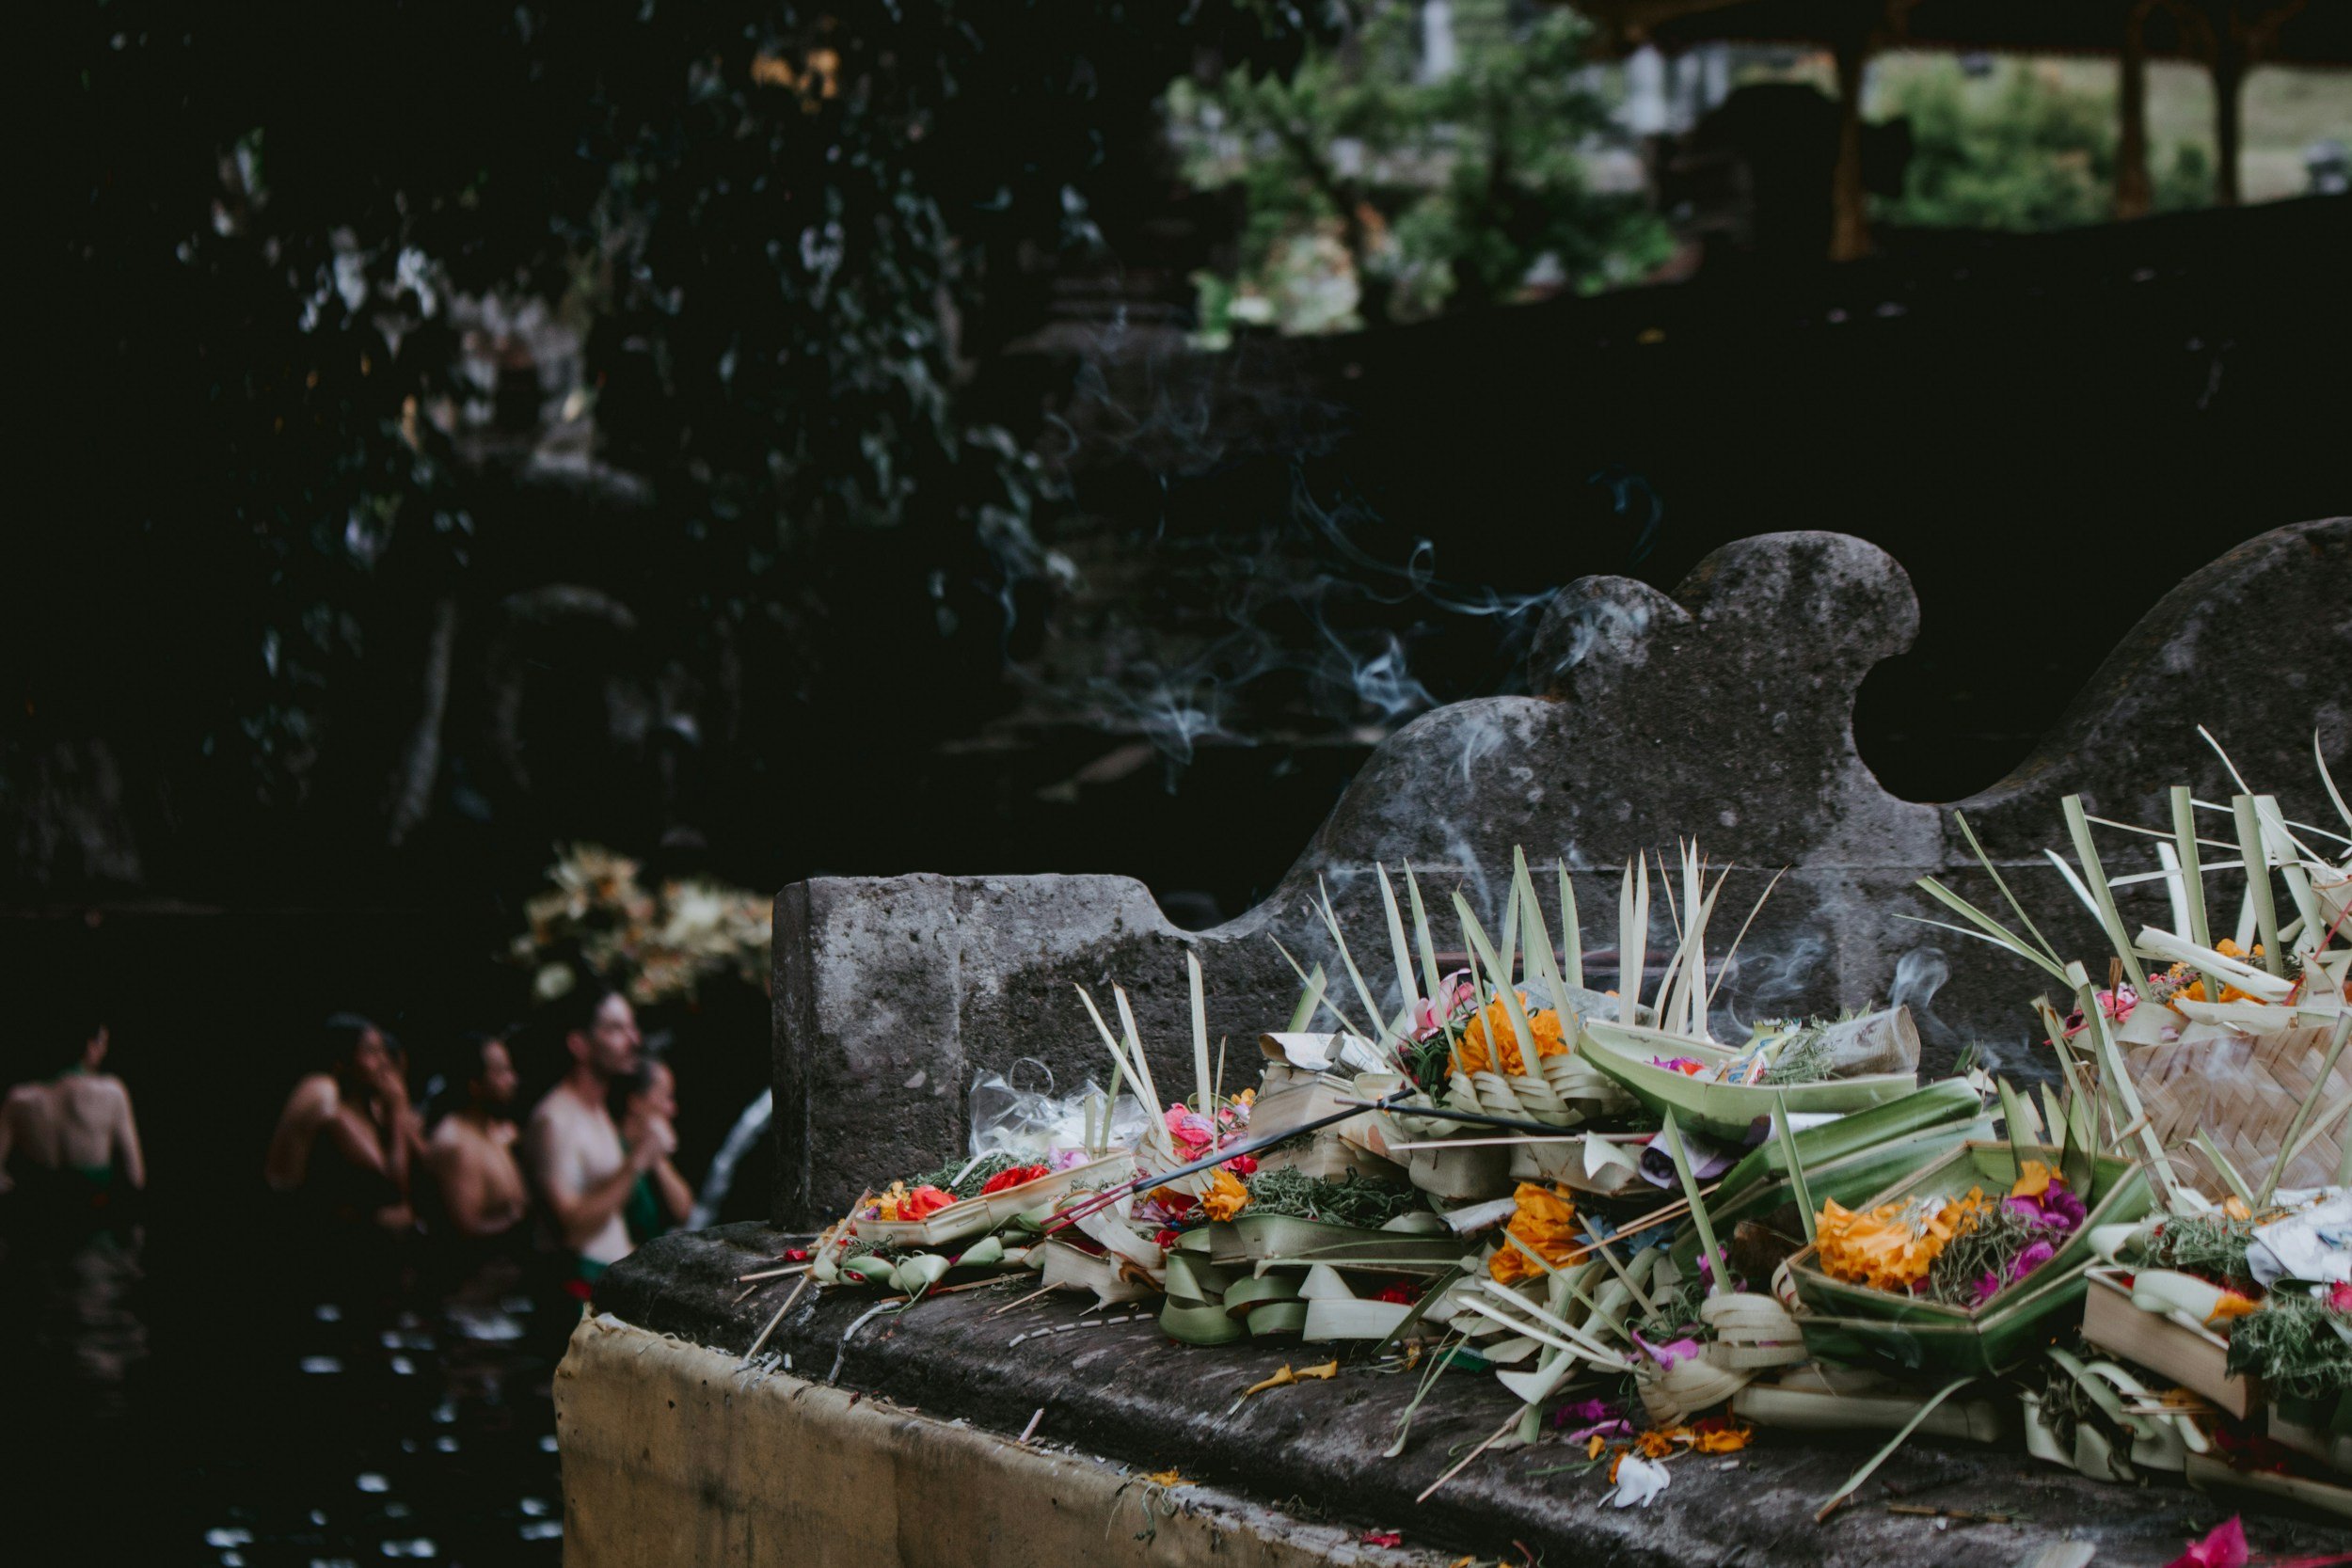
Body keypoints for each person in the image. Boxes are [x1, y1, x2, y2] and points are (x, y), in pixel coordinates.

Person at [523, 985, 664, 1287]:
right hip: (577, 1296)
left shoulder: (599, 1110)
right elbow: (571, 1230)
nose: (634, 1040)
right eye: (616, 1029)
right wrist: (637, 1160)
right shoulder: (555, 1119)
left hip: (606, 1286)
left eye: (631, 1027)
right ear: (579, 1045)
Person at [262, 1014, 417, 1232]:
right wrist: (397, 1109)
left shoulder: (362, 1102)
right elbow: (390, 1185)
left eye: (383, 1051)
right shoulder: (321, 1091)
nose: (384, 1063)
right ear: (340, 1061)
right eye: (372, 1052)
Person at [0, 1021, 146, 1202]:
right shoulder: (112, 1092)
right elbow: (135, 1175)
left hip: (38, 1218)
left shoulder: (19, 1099)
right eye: (103, 1043)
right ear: (91, 1046)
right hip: (94, 1217)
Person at [423, 1033, 529, 1241]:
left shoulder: (491, 1130)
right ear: (475, 1085)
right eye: (501, 1072)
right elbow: (466, 1230)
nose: (513, 1080)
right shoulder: (455, 1143)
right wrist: (521, 1221)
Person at [612, 1056, 692, 1246]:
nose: (673, 1109)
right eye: (667, 1097)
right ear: (635, 1102)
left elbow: (685, 1211)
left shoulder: (650, 1153)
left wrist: (657, 1158)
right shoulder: (613, 1150)